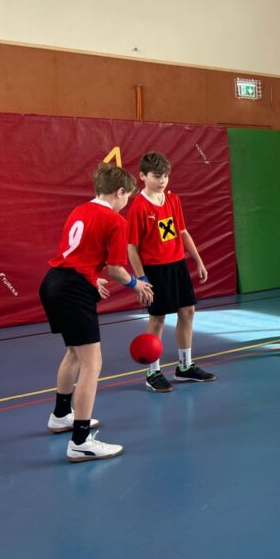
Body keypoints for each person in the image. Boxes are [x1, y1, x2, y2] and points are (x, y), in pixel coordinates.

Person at [40, 164, 153, 462]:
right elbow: (116, 269)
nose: (126, 202)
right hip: (72, 290)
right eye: (127, 196)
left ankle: (61, 415)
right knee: (93, 363)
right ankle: (80, 441)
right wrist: (136, 284)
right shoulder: (115, 220)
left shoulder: (79, 210)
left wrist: (92, 279)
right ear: (119, 192)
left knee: (74, 354)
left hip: (54, 282)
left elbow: (75, 256)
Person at [127, 151, 216, 392]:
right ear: (143, 176)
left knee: (187, 311)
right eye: (157, 176)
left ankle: (185, 367)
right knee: (158, 319)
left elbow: (182, 232)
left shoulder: (173, 199)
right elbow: (132, 247)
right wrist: (141, 278)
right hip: (155, 270)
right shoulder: (138, 207)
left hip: (177, 265)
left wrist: (198, 260)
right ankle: (152, 371)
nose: (162, 180)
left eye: (165, 175)